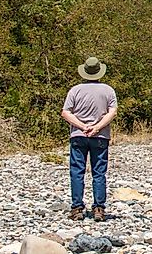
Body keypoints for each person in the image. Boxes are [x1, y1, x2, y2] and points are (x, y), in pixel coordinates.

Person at [60, 56, 118, 222]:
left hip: (78, 135)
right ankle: (99, 208)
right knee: (99, 172)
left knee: (77, 171)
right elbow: (112, 112)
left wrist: (82, 126)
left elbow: (65, 112)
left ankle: (77, 207)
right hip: (100, 136)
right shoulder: (108, 90)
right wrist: (97, 127)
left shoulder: (75, 90)